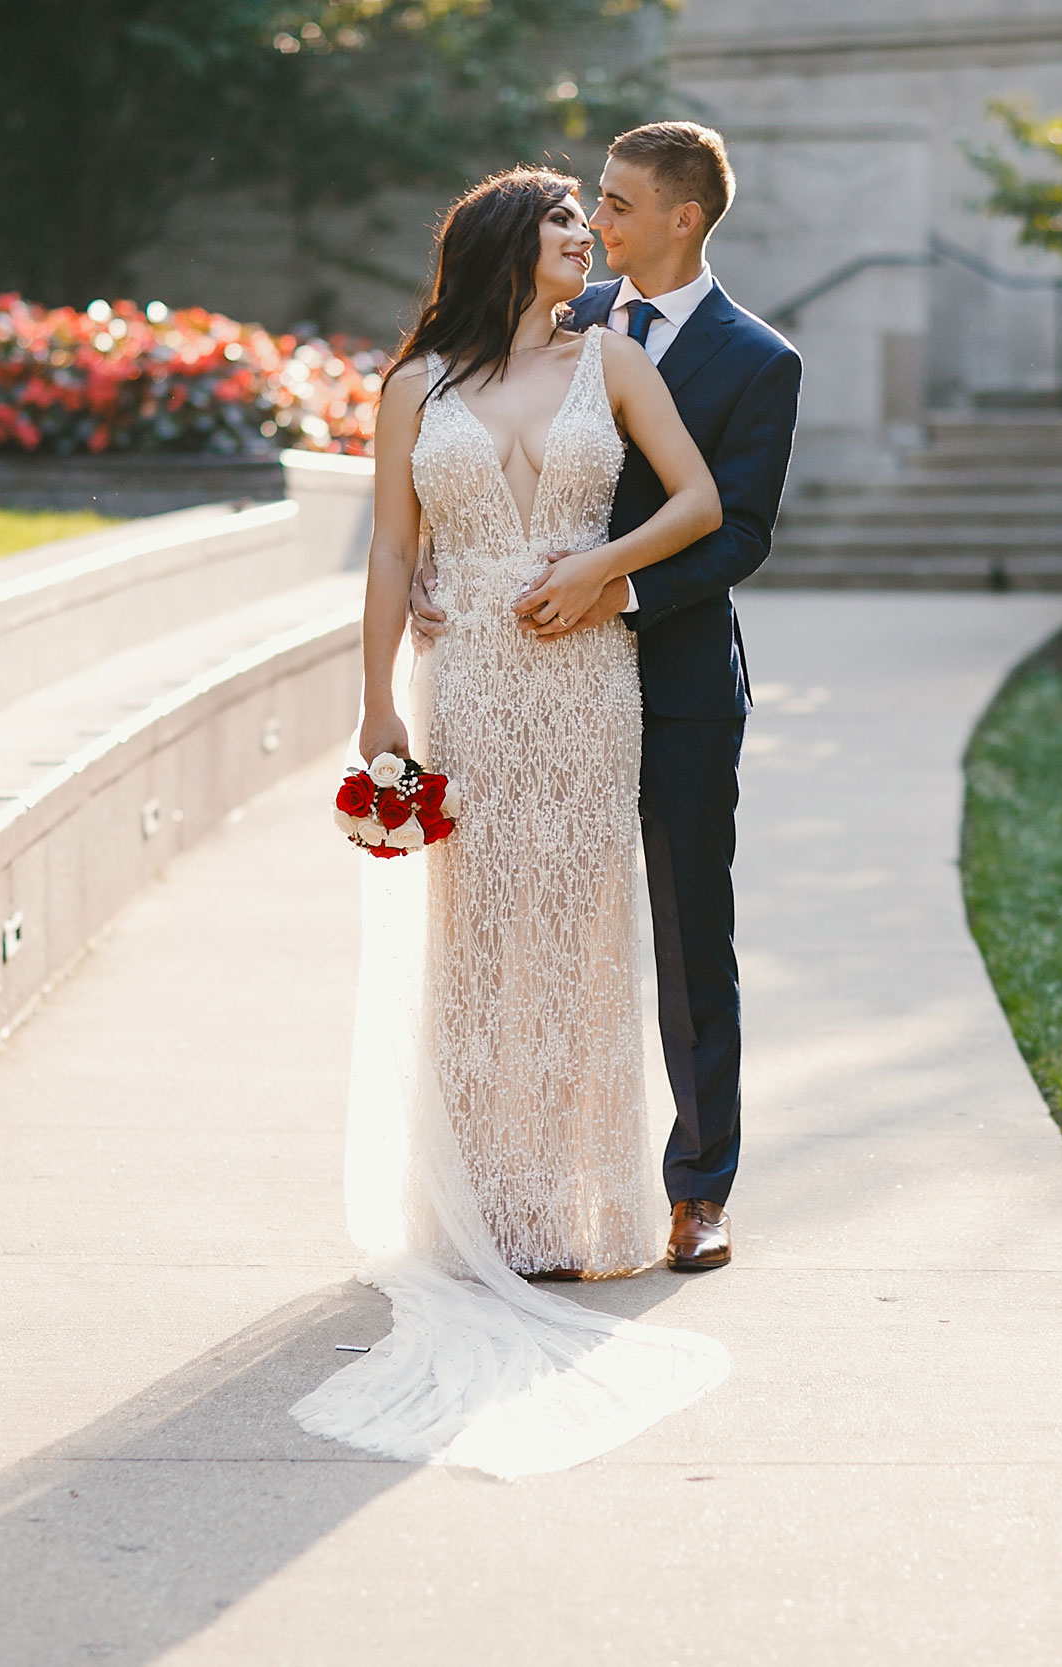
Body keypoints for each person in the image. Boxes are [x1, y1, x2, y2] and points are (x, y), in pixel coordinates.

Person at [292, 165, 739, 1477]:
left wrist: (604, 566)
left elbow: (697, 500)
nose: (585, 238)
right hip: (474, 680)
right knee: (482, 936)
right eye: (561, 225)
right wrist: (375, 697)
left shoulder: (614, 359)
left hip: (590, 678)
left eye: (586, 222)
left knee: (583, 924)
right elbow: (388, 549)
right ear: (504, 247)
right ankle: (485, 1206)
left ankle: (577, 1202)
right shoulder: (414, 388)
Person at [413, 121, 804, 1275]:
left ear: (683, 218)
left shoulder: (756, 359)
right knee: (522, 930)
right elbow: (469, 439)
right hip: (524, 684)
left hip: (673, 679)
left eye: (620, 204)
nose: (597, 219)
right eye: (591, 204)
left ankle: (698, 1191)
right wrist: (444, 556)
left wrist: (609, 589)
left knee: (691, 940)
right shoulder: (559, 318)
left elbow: (737, 531)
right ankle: (524, 1190)